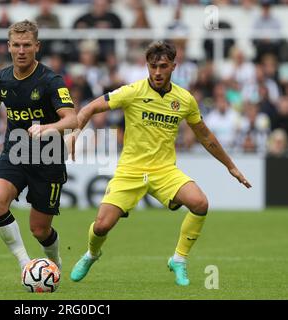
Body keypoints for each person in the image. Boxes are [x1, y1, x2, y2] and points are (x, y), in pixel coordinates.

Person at [67, 41, 251, 286]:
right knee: (101, 226)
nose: (157, 72)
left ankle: (179, 259)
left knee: (200, 203)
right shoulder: (132, 91)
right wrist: (75, 131)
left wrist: (230, 166)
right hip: (131, 170)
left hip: (164, 170)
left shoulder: (184, 99)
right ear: (147, 66)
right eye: (153, 66)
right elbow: (89, 108)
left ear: (174, 66)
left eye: (163, 66)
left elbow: (205, 135)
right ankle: (91, 254)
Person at [0, 20, 77, 273]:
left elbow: (72, 118)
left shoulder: (51, 81)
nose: (21, 51)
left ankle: (55, 262)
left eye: (26, 45)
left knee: (39, 230)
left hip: (47, 157)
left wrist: (47, 128)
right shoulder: (2, 78)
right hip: (15, 152)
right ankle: (25, 264)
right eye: (16, 45)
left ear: (36, 47)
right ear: (8, 47)